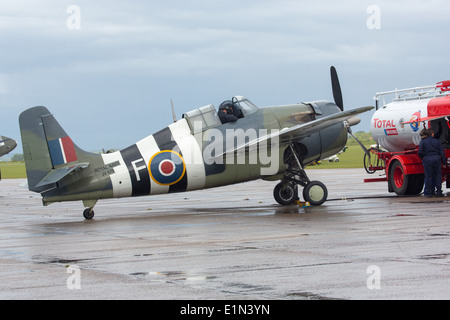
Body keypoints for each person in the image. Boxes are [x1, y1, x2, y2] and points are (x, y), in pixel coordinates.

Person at [418, 128, 446, 197]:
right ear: (432, 134)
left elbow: (420, 152)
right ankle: (439, 192)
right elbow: (442, 153)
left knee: (428, 176)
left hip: (427, 159)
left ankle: (428, 193)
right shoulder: (437, 141)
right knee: (438, 176)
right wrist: (444, 162)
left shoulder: (423, 142)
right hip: (437, 159)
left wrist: (423, 157)